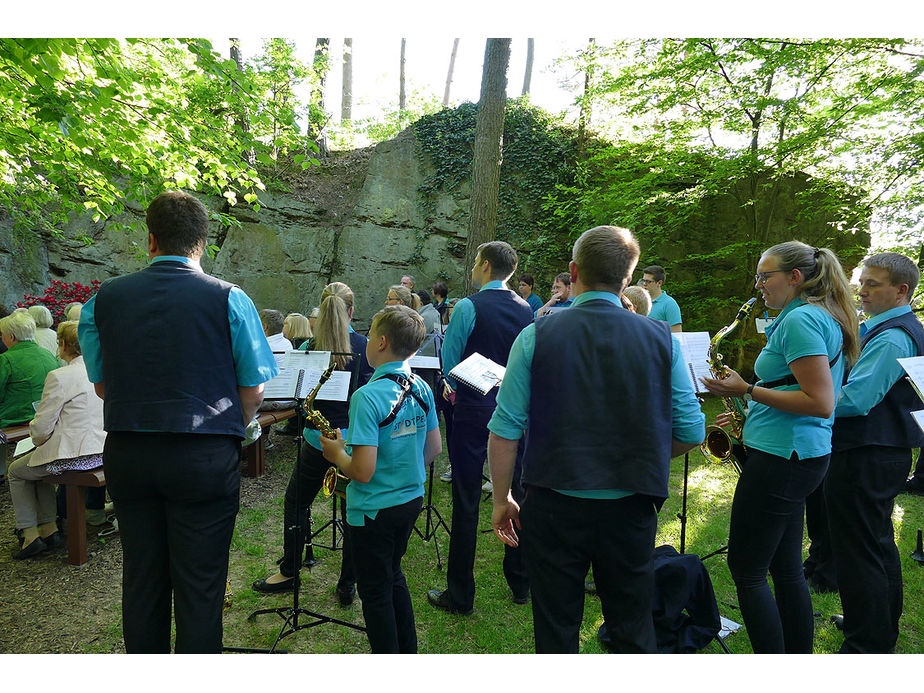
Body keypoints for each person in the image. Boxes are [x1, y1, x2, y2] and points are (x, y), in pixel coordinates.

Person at [487, 225, 705, 653]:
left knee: (555, 627)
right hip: (630, 503)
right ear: (628, 278)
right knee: (631, 627)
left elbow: (505, 427)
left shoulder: (537, 335)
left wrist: (500, 499)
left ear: (573, 271)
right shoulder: (663, 340)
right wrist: (643, 455)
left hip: (553, 500)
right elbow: (692, 431)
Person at [78, 189, 278, 653]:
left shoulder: (103, 299)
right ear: (202, 243)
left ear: (150, 241)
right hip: (203, 454)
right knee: (200, 586)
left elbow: (103, 386)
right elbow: (254, 388)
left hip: (129, 453)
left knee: (143, 579)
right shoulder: (230, 298)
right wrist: (236, 426)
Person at [701, 240, 859, 654]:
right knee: (785, 567)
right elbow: (802, 391)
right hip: (797, 453)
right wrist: (749, 408)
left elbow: (821, 401)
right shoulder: (812, 315)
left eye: (764, 276)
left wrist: (749, 388)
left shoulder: (801, 321)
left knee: (747, 570)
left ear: (795, 278)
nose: (758, 286)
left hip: (782, 459)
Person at [320, 304, 441, 653]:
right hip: (409, 501)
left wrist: (336, 454)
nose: (367, 340)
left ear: (382, 342)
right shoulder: (422, 386)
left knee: (374, 592)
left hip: (372, 510)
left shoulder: (367, 396)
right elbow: (433, 448)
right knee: (394, 575)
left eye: (370, 334)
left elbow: (362, 471)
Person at [428, 240, 534, 615]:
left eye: (476, 262)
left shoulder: (469, 306)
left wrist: (458, 389)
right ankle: (521, 582)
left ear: (486, 266)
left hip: (475, 407)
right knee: (517, 491)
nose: (473, 267)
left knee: (466, 497)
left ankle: (460, 594)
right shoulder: (527, 310)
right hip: (515, 410)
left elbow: (451, 361)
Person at [824, 252, 923, 653]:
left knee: (860, 550)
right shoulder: (885, 328)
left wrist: (801, 398)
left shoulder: (893, 334)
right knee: (874, 543)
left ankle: (867, 643)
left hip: (868, 453)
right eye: (861, 282)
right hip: (876, 451)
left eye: (873, 284)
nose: (861, 291)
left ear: (901, 291)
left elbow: (856, 399)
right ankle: (873, 623)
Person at [253, 281, 374, 604]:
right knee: (354, 512)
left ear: (321, 308)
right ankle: (348, 582)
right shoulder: (365, 346)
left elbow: (296, 397)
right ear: (351, 310)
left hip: (315, 438)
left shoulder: (307, 347)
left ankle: (290, 569)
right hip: (351, 440)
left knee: (296, 501)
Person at [7, 321, 106, 559]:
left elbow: (41, 428)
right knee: (35, 468)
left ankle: (30, 533)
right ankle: (49, 528)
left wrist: (36, 437)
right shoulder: (99, 370)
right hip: (102, 449)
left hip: (74, 456)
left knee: (16, 471)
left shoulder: (60, 376)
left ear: (62, 344)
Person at [1, 311, 60, 427]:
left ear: (11, 337)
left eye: (2, 334)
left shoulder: (6, 359)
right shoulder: (48, 355)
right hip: (46, 418)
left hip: (13, 420)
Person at [639, 265, 683, 332]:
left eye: (648, 281)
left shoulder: (669, 304)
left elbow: (677, 335)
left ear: (659, 283)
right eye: (643, 280)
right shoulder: (639, 300)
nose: (644, 284)